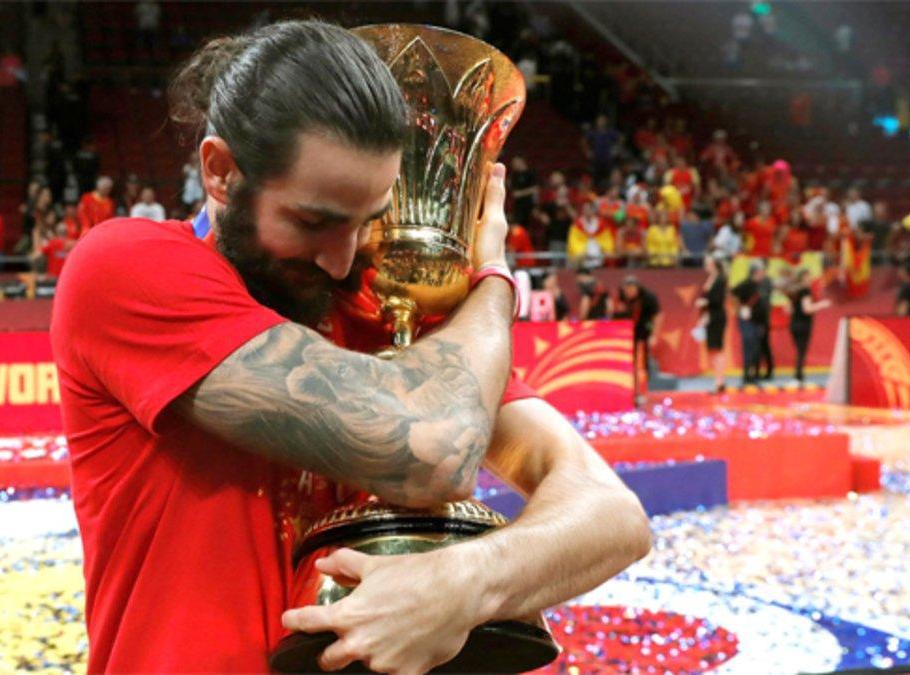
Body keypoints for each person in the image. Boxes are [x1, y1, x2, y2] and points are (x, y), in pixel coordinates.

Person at [50, 20, 649, 673]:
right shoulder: (127, 268)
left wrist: (462, 582)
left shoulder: (379, 308)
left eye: (367, 220)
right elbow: (431, 450)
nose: (341, 262)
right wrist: (493, 283)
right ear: (221, 173)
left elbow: (614, 515)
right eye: (314, 221)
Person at [614, 276, 662, 387]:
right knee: (627, 360)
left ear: (637, 288)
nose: (629, 293)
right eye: (626, 290)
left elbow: (658, 316)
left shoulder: (648, 297)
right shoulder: (621, 296)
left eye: (631, 290)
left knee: (642, 360)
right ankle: (627, 384)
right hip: (626, 333)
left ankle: (643, 386)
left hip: (644, 330)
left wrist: (654, 335)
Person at [787, 268, 831, 384]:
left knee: (799, 351)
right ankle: (798, 376)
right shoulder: (805, 291)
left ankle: (798, 375)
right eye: (807, 277)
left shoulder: (794, 291)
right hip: (803, 324)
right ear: (802, 278)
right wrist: (822, 304)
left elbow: (788, 309)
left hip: (794, 324)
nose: (809, 279)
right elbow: (807, 309)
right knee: (801, 351)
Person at [695, 255, 728, 393]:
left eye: (708, 263)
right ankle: (718, 380)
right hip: (710, 316)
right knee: (712, 350)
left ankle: (720, 381)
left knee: (717, 348)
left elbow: (718, 300)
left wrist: (706, 302)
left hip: (717, 317)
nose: (706, 265)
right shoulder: (711, 279)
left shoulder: (720, 280)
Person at [732, 260, 768, 385]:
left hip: (759, 321)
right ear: (756, 272)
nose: (764, 273)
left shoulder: (763, 284)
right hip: (748, 321)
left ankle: (754, 374)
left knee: (757, 348)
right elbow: (733, 293)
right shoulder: (746, 284)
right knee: (749, 347)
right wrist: (739, 309)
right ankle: (747, 375)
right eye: (762, 271)